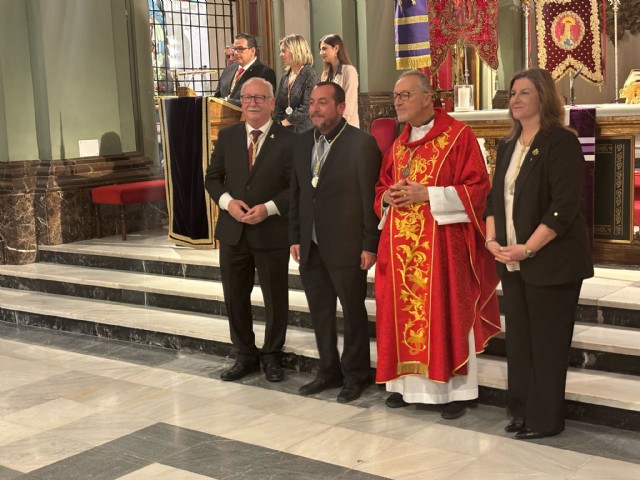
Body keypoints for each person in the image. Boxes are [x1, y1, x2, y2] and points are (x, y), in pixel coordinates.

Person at [374, 69, 501, 419]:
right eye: (395, 96)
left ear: (428, 97)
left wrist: (426, 194)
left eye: (405, 96)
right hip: (400, 250)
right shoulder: (399, 144)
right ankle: (403, 385)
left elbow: (478, 190)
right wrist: (387, 197)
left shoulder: (459, 137)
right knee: (399, 315)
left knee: (446, 311)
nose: (397, 102)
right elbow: (382, 186)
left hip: (443, 248)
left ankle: (456, 392)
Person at [484, 68, 593, 439]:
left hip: (552, 260)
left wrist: (528, 249)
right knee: (520, 341)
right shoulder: (507, 145)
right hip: (512, 260)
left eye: (524, 92)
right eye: (512, 93)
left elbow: (565, 207)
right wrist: (491, 241)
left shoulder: (560, 142)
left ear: (543, 98)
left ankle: (545, 420)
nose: (515, 99)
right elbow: (492, 199)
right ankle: (520, 410)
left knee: (547, 344)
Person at [289, 82, 381, 403]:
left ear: (341, 107)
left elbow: (370, 199)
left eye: (323, 103)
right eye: (312, 102)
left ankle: (356, 375)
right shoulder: (301, 143)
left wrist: (371, 244)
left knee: (352, 313)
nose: (314, 108)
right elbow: (297, 194)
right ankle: (328, 370)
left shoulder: (361, 144)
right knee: (320, 313)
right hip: (310, 246)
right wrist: (295, 237)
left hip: (347, 245)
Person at [205, 77, 294, 383]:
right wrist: (228, 203)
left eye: (260, 97)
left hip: (271, 231)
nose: (253, 102)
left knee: (275, 297)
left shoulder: (290, 139)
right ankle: (244, 354)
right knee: (235, 296)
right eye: (247, 97)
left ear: (272, 102)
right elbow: (212, 178)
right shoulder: (228, 136)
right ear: (240, 102)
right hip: (234, 231)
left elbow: (295, 187)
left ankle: (272, 355)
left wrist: (268, 208)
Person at [214, 33, 277, 106]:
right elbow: (217, 97)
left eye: (240, 49)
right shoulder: (228, 70)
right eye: (234, 49)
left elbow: (260, 102)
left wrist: (227, 101)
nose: (236, 53)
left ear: (253, 51)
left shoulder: (264, 72)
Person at [274, 34, 318, 133]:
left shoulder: (309, 74)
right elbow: (278, 105)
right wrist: (278, 123)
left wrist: (285, 122)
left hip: (304, 131)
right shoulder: (285, 77)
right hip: (285, 131)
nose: (280, 55)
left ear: (295, 51)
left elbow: (307, 107)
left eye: (283, 51)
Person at [319, 34, 359, 128]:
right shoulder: (325, 74)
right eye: (320, 49)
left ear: (336, 48)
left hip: (346, 126)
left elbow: (349, 103)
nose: (321, 53)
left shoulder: (349, 71)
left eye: (324, 49)